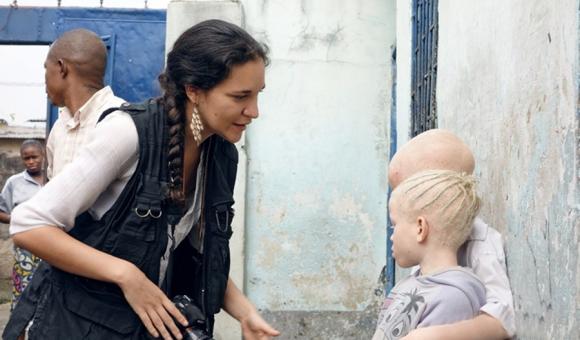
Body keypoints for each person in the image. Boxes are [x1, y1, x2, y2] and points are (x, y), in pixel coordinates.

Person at [4, 20, 279, 340]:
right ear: (194, 90)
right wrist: (127, 275)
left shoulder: (220, 154)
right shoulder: (129, 132)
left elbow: (197, 258)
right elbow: (29, 225)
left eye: (257, 95)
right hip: (76, 325)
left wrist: (246, 313)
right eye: (240, 96)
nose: (254, 111)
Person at [388, 129, 515, 340]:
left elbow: (502, 320)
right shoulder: (427, 250)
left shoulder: (479, 242)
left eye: (413, 189)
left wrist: (434, 335)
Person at [373, 169, 486, 339]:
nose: (391, 235)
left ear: (420, 228)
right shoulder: (411, 283)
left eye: (394, 225)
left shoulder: (452, 299)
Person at [43, 28, 125, 179]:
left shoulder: (119, 120)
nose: (44, 80)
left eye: (46, 69)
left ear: (62, 68)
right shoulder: (59, 127)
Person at [0, 140, 45, 310]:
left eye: (35, 157)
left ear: (43, 156)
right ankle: (19, 332)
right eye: (26, 158)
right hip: (25, 247)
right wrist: (19, 219)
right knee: (23, 292)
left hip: (53, 245)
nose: (31, 161)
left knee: (49, 291)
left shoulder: (53, 180)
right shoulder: (14, 182)